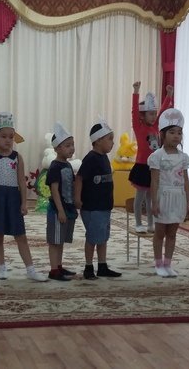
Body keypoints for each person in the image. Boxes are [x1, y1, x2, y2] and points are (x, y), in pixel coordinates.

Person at [0, 112, 48, 282]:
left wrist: (24, 202)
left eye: (11, 137)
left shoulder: (17, 158)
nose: (8, 140)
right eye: (3, 136)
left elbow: (21, 182)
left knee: (20, 235)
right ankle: (2, 268)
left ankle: (30, 270)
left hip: (13, 199)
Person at [75, 118, 122, 280]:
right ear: (98, 140)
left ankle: (102, 266)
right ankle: (88, 267)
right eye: (110, 139)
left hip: (104, 206)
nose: (113, 143)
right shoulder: (91, 158)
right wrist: (77, 198)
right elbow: (79, 178)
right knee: (92, 238)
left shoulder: (104, 157)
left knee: (103, 237)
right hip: (92, 207)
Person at [148, 108, 189, 278]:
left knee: (172, 234)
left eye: (179, 133)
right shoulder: (157, 156)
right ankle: (158, 264)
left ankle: (168, 263)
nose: (176, 136)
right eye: (172, 132)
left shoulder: (183, 157)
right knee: (160, 233)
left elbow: (186, 181)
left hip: (178, 198)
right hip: (163, 197)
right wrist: (154, 202)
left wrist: (188, 201)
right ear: (163, 134)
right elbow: (154, 181)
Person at [129, 82, 173, 233]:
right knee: (140, 197)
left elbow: (163, 112)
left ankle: (150, 224)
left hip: (154, 166)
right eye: (151, 114)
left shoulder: (156, 127)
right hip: (142, 166)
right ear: (143, 115)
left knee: (151, 197)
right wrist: (136, 92)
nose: (154, 116)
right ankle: (138, 223)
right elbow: (134, 111)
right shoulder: (139, 127)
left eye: (155, 113)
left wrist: (169, 95)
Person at [45, 122, 78, 281]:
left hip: (68, 208)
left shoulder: (68, 165)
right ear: (57, 148)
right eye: (67, 145)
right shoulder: (55, 166)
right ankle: (53, 270)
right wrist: (60, 210)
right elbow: (54, 189)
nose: (71, 148)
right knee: (54, 241)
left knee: (61, 240)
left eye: (72, 145)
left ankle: (59, 266)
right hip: (57, 210)